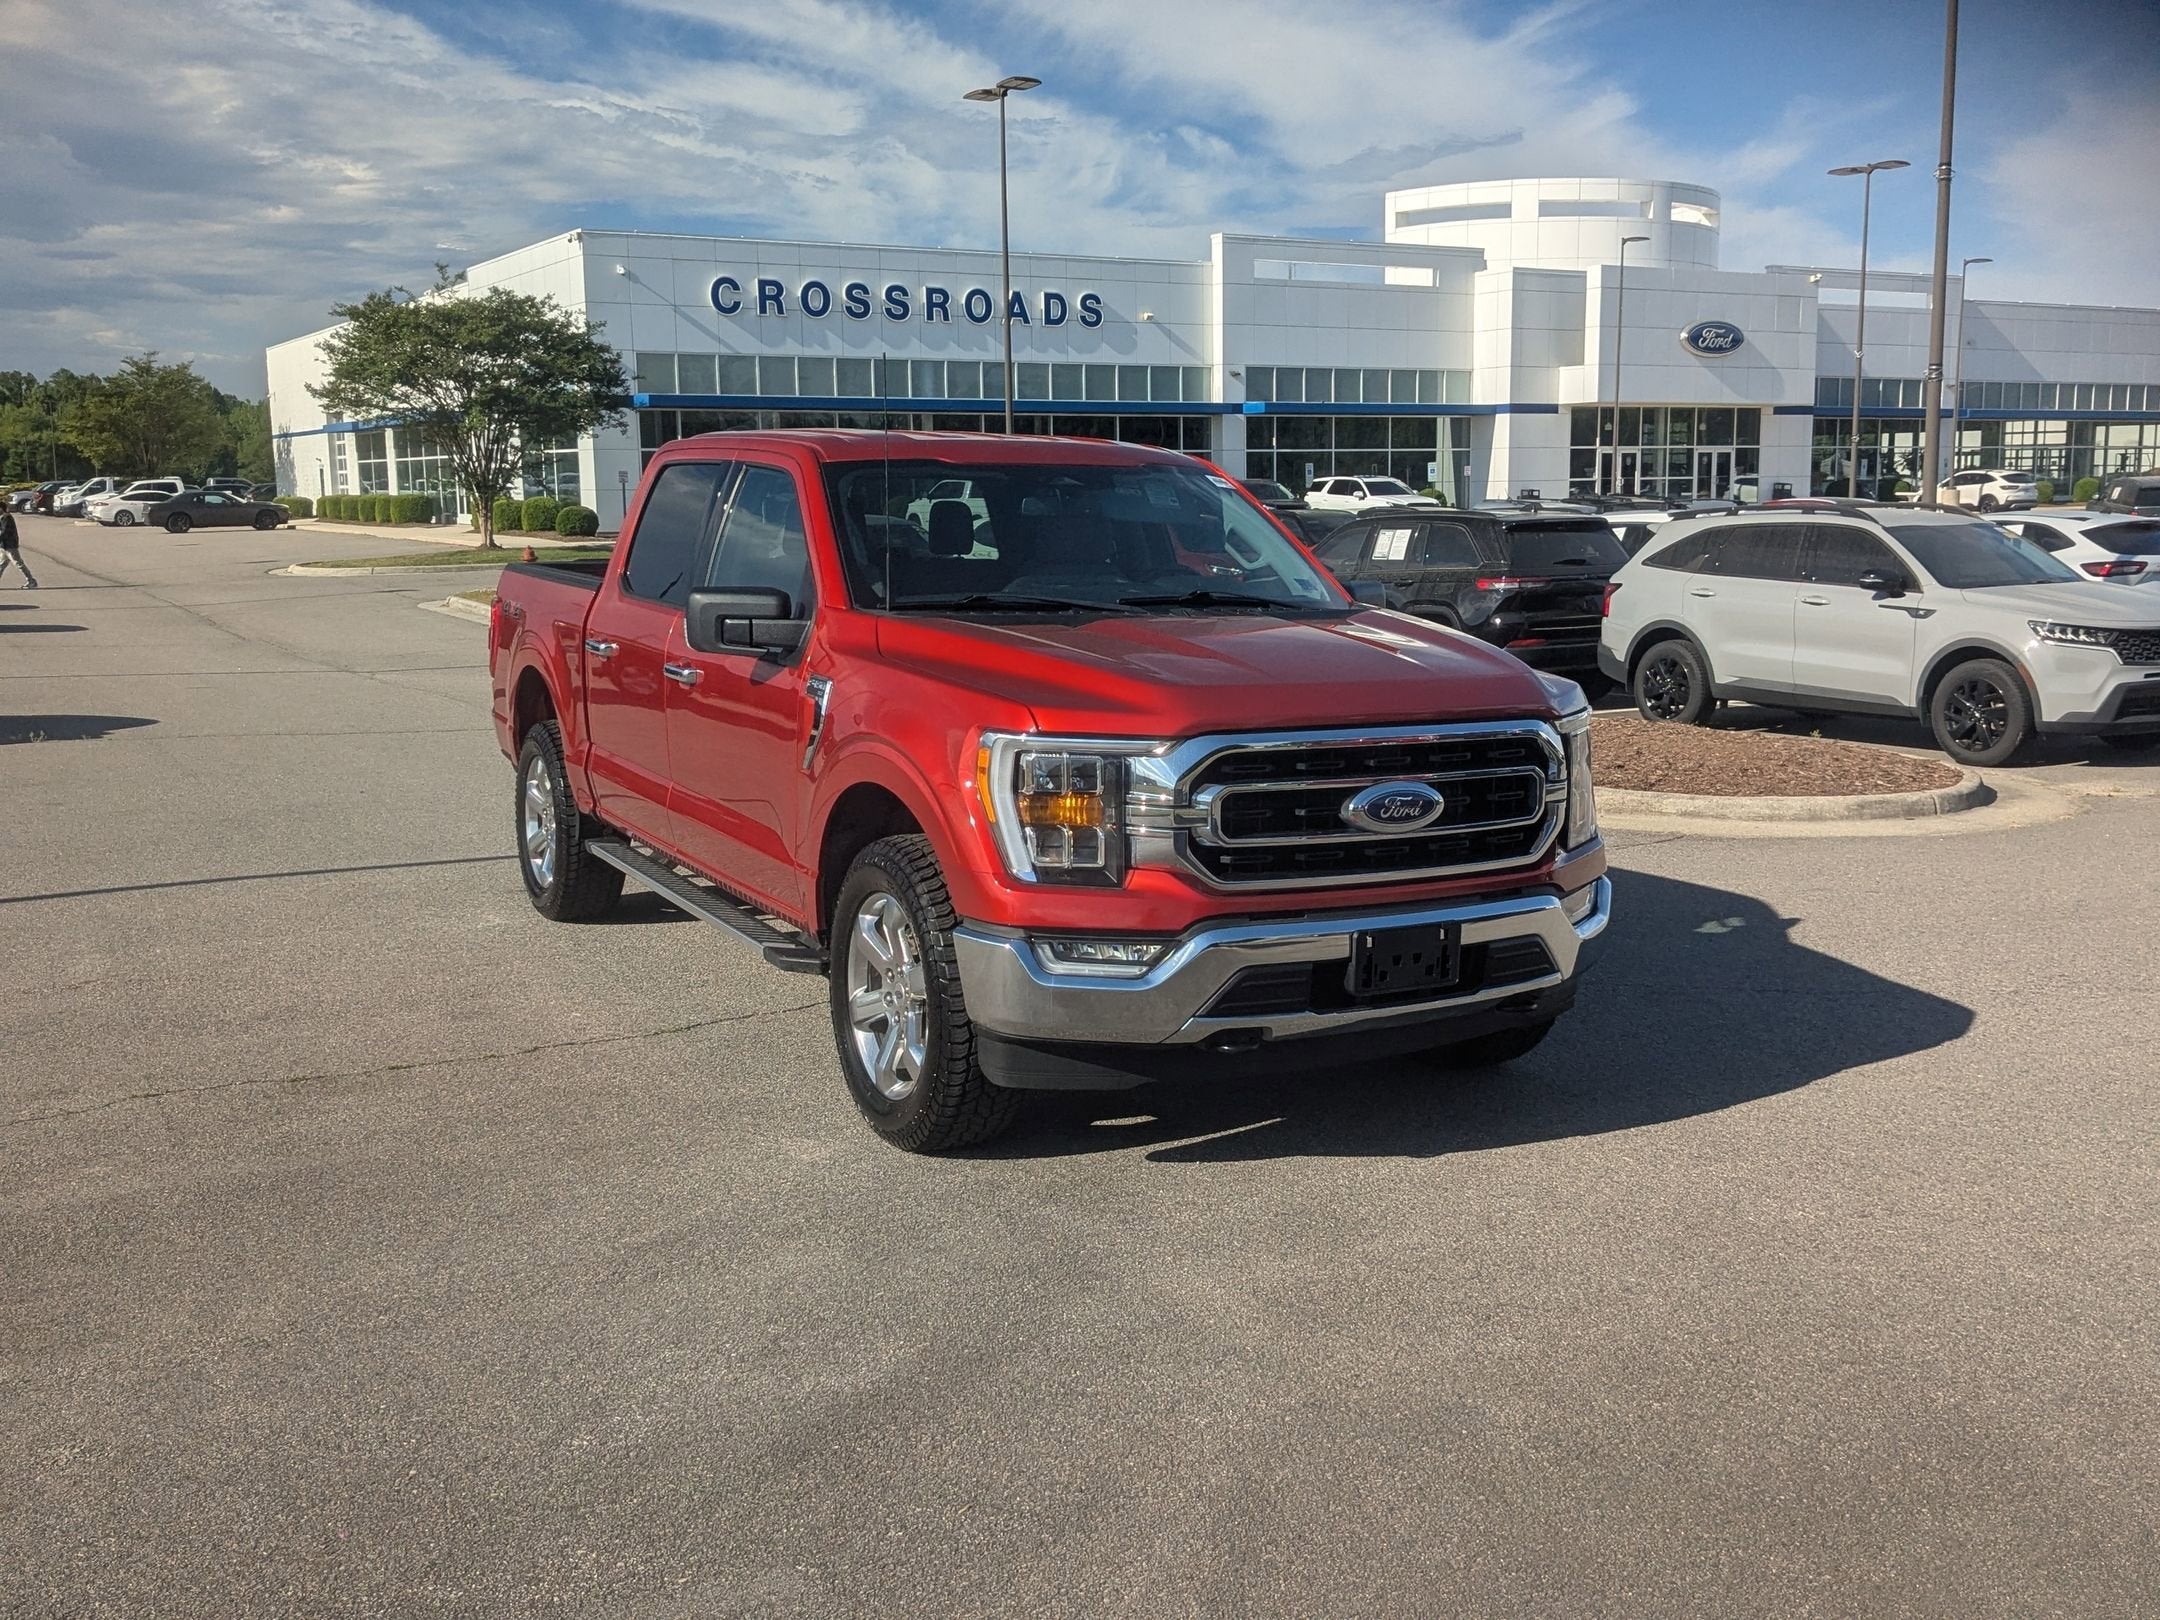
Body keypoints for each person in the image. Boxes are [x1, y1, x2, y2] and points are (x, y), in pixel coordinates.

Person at [0, 505, 37, 588]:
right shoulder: (2, 518)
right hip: (3, 546)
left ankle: (31, 581)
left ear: (1, 508)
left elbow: (4, 532)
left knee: (18, 563)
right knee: (1, 564)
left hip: (10, 546)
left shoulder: (7, 518)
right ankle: (31, 581)